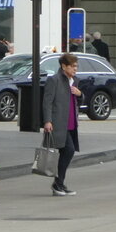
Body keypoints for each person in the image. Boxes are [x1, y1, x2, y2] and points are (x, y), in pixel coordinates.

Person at [42, 51, 82, 196]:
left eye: (76, 66)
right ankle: (58, 184)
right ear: (64, 66)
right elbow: (47, 102)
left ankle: (59, 184)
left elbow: (79, 101)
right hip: (59, 123)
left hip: (71, 123)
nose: (75, 69)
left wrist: (80, 94)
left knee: (66, 151)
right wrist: (47, 120)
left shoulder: (75, 81)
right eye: (72, 66)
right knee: (69, 150)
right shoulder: (54, 80)